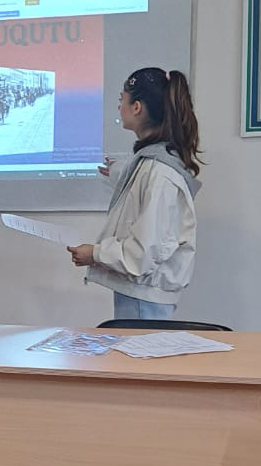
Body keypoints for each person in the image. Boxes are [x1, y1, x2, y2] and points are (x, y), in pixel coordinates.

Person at [68, 68, 202, 320]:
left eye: (122, 100)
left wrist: (94, 254)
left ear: (137, 107)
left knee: (139, 346)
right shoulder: (153, 165)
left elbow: (142, 254)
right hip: (141, 295)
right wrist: (122, 172)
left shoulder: (160, 173)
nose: (120, 107)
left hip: (144, 300)